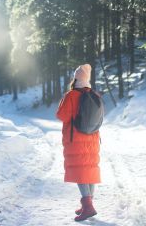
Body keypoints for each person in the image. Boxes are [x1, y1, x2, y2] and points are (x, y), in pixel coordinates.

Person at [56, 64, 101, 221]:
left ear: (76, 79)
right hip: (93, 139)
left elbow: (62, 115)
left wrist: (63, 100)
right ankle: (88, 204)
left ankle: (88, 206)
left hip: (76, 139)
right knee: (89, 170)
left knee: (80, 171)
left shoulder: (71, 95)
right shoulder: (95, 94)